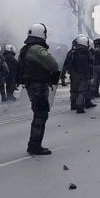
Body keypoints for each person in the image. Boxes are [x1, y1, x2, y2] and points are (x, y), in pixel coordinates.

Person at [17, 23, 60, 155]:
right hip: (39, 85)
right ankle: (35, 146)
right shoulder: (37, 49)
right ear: (41, 34)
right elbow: (54, 64)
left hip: (31, 85)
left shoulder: (25, 49)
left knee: (38, 113)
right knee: (41, 114)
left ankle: (34, 144)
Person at [63, 35, 94, 113]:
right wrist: (90, 75)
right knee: (82, 90)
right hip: (83, 74)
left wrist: (63, 74)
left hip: (73, 74)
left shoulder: (71, 52)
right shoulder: (87, 52)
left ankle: (73, 105)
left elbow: (65, 63)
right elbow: (90, 64)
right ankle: (80, 106)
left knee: (73, 89)